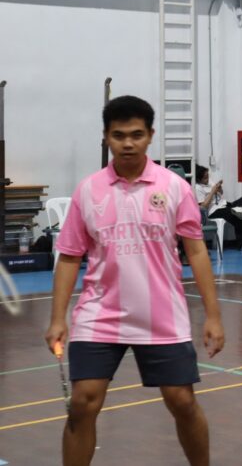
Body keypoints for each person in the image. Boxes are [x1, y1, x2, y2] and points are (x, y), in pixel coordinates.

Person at [45, 95, 224, 466]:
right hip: (100, 313)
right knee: (82, 403)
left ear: (150, 136)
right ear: (106, 137)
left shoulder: (173, 186)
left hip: (161, 314)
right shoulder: (88, 190)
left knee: (182, 401)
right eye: (119, 135)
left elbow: (196, 252)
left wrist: (213, 316)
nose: (128, 143)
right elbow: (70, 257)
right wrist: (57, 318)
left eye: (137, 135)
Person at [195, 165, 242, 252]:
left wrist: (219, 189)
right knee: (238, 215)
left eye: (208, 176)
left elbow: (221, 193)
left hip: (224, 204)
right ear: (199, 179)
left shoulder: (210, 182)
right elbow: (203, 206)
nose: (208, 179)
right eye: (205, 178)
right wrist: (212, 191)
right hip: (214, 210)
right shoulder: (197, 188)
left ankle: (240, 209)